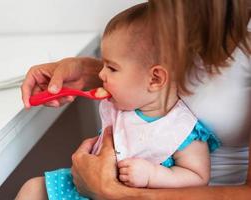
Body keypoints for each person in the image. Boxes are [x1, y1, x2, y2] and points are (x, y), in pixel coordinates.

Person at [17, 0, 251, 199]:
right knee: (32, 190)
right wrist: (90, 71)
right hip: (110, 183)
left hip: (167, 189)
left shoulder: (187, 134)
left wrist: (115, 191)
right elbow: (147, 75)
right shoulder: (171, 24)